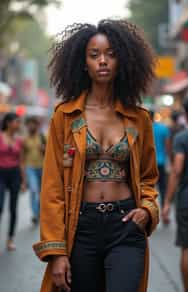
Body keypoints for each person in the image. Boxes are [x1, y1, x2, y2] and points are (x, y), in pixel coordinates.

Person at [33, 20, 159, 292]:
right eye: (95, 55)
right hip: (81, 228)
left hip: (125, 225)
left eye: (111, 54)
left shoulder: (138, 119)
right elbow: (52, 187)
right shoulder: (65, 117)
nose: (103, 61)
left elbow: (148, 177)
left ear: (122, 60)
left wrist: (147, 209)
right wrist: (56, 251)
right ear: (83, 63)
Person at [162, 97, 188, 292]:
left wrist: (167, 202)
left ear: (186, 115)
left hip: (186, 200)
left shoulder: (182, 139)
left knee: (187, 248)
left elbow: (177, 170)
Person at [0, 113, 25, 251]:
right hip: (1, 174)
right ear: (8, 123)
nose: (18, 125)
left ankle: (10, 239)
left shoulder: (19, 140)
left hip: (14, 174)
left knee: (13, 209)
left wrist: (24, 181)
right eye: (16, 122)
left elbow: (21, 161)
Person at [23, 116, 46, 225]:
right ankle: (35, 214)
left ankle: (40, 212)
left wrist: (44, 149)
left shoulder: (43, 136)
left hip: (42, 167)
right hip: (30, 167)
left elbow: (50, 153)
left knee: (42, 192)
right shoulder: (25, 139)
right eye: (29, 124)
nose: (31, 126)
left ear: (37, 125)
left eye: (33, 124)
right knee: (33, 190)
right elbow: (22, 156)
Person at [150, 110, 170, 208]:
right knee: (162, 187)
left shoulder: (143, 129)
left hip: (148, 164)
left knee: (149, 188)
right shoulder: (163, 128)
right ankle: (164, 207)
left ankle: (150, 209)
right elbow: (167, 146)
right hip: (161, 162)